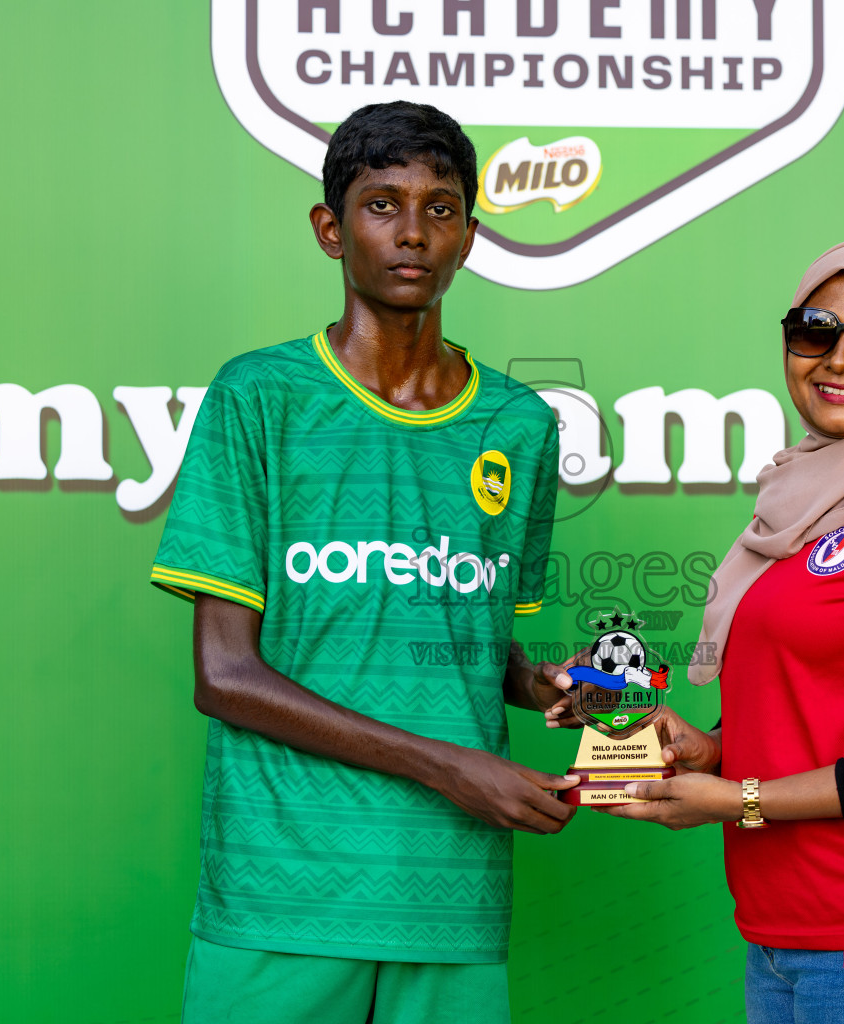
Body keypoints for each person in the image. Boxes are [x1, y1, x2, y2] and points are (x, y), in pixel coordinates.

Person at [150, 101, 579, 1024]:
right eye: (382, 204)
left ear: (470, 234)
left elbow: (463, 634)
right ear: (329, 229)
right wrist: (449, 767)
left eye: (441, 206)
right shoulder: (260, 398)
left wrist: (542, 685)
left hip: (450, 892)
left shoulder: (521, 424)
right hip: (282, 888)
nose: (413, 231)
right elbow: (225, 675)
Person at [559, 240, 844, 1023]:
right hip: (785, 934)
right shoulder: (805, 497)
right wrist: (706, 748)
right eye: (814, 331)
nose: (840, 358)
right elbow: (820, 705)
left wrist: (736, 798)